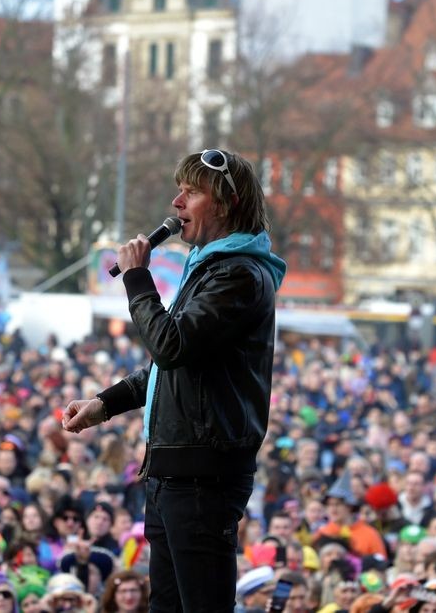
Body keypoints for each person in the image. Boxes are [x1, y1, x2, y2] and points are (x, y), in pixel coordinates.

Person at [62, 148, 286, 611]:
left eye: (191, 192)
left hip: (203, 475)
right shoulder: (209, 266)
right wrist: (104, 404)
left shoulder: (239, 274)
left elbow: (170, 345)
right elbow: (173, 367)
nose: (176, 202)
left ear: (225, 202)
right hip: (173, 470)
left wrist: (138, 278)